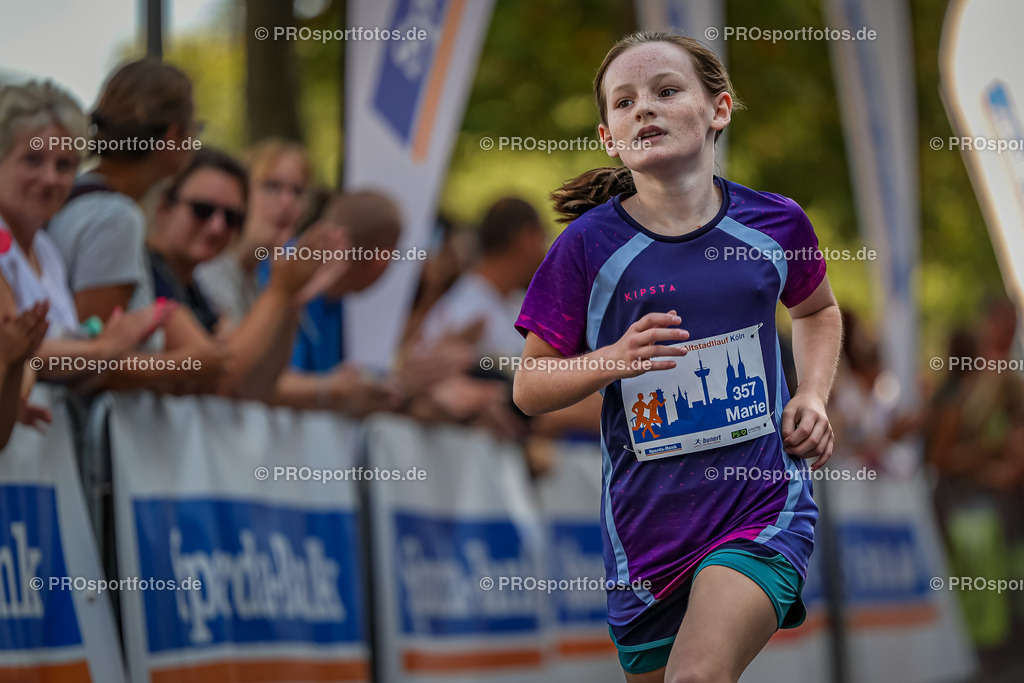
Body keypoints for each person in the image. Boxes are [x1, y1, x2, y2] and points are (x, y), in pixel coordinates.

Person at [512, 32, 841, 682]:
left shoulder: (775, 224)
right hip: (646, 536)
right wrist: (613, 359)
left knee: (697, 675)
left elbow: (817, 310)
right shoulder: (586, 248)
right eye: (625, 101)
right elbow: (529, 385)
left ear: (718, 109)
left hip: (762, 508)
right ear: (609, 136)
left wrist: (811, 395)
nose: (645, 109)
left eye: (666, 91)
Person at [195, 138, 313, 329]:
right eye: (272, 186)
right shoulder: (207, 268)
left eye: (298, 192)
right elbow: (235, 357)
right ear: (239, 194)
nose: (287, 202)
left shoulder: (255, 278)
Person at [419, 197, 546, 359]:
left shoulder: (516, 301)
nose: (546, 252)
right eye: (543, 237)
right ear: (527, 239)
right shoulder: (465, 313)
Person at [148, 148, 249, 333]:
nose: (217, 227)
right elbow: (231, 361)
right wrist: (283, 292)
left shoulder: (192, 287)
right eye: (202, 210)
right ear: (164, 206)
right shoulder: (146, 275)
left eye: (231, 217)